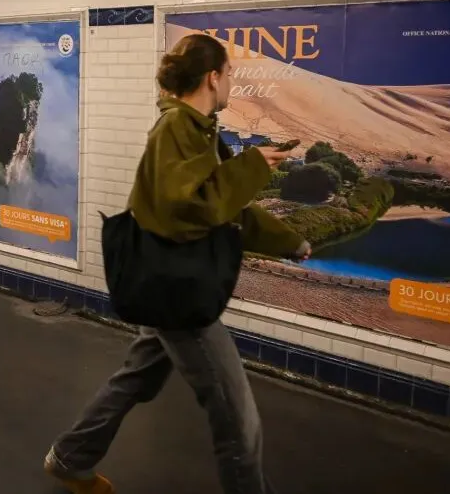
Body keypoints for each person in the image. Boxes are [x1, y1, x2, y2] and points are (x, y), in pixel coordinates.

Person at [44, 33, 310, 494]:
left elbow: (225, 208)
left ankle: (70, 457)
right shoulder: (176, 129)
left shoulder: (198, 130)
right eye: (229, 75)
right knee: (236, 415)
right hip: (179, 291)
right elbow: (184, 208)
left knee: (136, 377)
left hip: (169, 282)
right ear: (212, 77)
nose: (231, 84)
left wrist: (288, 241)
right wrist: (250, 168)